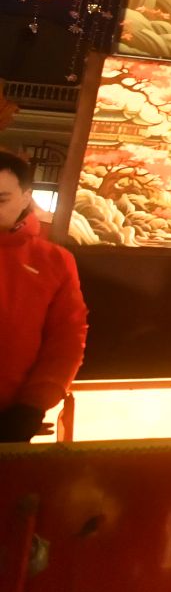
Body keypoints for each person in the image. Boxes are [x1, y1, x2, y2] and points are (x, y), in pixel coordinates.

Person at [0, 149, 86, 443]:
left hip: (10, 417)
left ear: (26, 197)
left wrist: (34, 405)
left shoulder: (54, 261)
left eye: (1, 200)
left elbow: (67, 338)